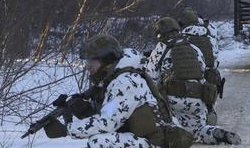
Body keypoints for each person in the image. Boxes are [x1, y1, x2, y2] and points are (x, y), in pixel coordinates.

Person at [43, 34, 193, 147]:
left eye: (91, 61)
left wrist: (67, 129)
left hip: (158, 142)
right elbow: (112, 115)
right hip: (148, 139)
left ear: (106, 60)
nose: (87, 66)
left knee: (99, 142)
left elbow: (107, 124)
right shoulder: (114, 79)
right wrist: (81, 110)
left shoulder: (125, 82)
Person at [146, 17, 240, 145]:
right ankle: (213, 132)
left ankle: (177, 135)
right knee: (198, 129)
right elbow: (203, 73)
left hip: (172, 101)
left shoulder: (161, 48)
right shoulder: (194, 48)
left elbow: (151, 77)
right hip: (197, 99)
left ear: (160, 33)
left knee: (169, 128)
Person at [177, 7, 223, 124]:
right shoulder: (209, 37)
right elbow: (215, 59)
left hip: (189, 79)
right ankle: (210, 108)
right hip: (209, 79)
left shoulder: (180, 38)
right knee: (212, 77)